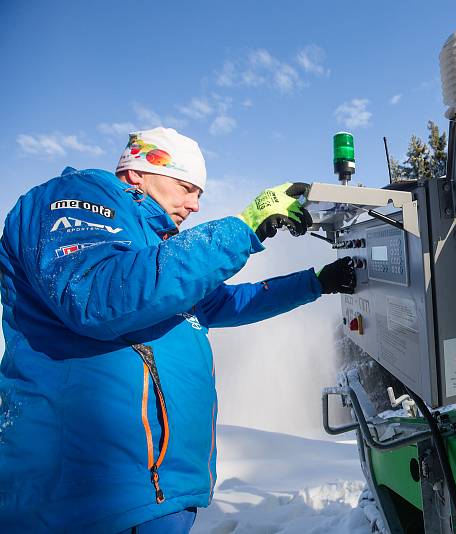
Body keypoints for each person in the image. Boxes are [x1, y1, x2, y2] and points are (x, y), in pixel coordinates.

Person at [0, 127, 356, 533]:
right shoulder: (74, 199)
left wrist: (316, 281)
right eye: (187, 188)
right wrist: (243, 228)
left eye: (200, 194)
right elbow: (97, 296)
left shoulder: (152, 244)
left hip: (154, 493)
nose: (195, 204)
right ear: (139, 171)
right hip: (87, 500)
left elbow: (222, 303)